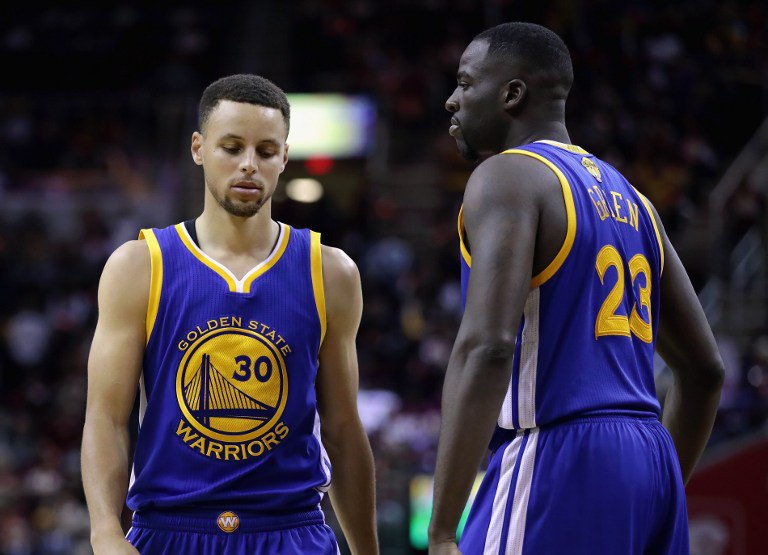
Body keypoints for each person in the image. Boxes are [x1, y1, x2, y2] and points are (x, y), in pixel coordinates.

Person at [428, 22, 724, 555]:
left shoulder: (508, 176)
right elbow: (704, 371)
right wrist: (651, 487)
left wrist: (443, 528)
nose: (451, 101)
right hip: (651, 463)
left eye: (465, 84)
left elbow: (487, 347)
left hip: (558, 451)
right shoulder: (634, 199)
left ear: (511, 94)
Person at [81, 74, 378, 554]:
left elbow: (343, 429)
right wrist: (105, 533)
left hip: (291, 530)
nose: (248, 165)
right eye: (232, 147)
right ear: (198, 148)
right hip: (169, 529)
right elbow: (107, 417)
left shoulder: (332, 272)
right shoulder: (139, 266)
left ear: (284, 157)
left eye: (265, 151)